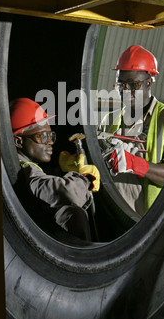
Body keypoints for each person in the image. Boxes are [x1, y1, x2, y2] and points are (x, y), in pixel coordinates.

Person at [99, 45, 164, 216]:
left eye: (133, 84)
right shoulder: (108, 120)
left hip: (148, 224)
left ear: (148, 82)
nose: (126, 91)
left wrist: (135, 163)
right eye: (120, 85)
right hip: (111, 216)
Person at [10, 97, 100, 241]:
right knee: (73, 214)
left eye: (50, 135)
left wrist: (59, 170)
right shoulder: (25, 170)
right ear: (18, 141)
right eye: (42, 136)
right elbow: (67, 193)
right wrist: (86, 179)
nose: (50, 141)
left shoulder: (18, 164)